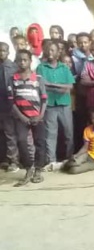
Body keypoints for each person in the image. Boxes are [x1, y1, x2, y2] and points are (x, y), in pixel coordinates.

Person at [9, 50, 47, 186]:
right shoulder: (13, 79)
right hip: (21, 117)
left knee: (40, 143)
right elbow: (11, 101)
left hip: (37, 116)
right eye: (20, 60)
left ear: (31, 61)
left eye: (25, 60)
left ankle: (38, 170)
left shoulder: (38, 78)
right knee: (21, 141)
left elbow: (44, 99)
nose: (22, 62)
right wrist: (21, 116)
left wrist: (40, 115)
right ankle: (28, 168)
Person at [36, 41, 75, 170]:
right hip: (50, 105)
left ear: (58, 53)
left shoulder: (64, 68)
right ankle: (51, 161)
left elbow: (69, 86)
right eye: (48, 50)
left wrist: (51, 85)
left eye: (53, 50)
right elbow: (40, 84)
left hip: (64, 104)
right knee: (50, 134)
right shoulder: (41, 67)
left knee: (68, 133)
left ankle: (70, 158)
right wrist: (58, 86)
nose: (50, 53)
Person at [63, 109, 94, 174]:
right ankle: (64, 164)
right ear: (90, 119)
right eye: (93, 118)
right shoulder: (87, 129)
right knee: (72, 162)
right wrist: (77, 154)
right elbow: (85, 147)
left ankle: (67, 164)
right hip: (88, 154)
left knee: (73, 170)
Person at [0, 42, 19, 171]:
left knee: (10, 133)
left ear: (8, 52)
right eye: (0, 51)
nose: (1, 53)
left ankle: (14, 160)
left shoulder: (14, 67)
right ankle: (3, 159)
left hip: (9, 105)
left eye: (4, 51)